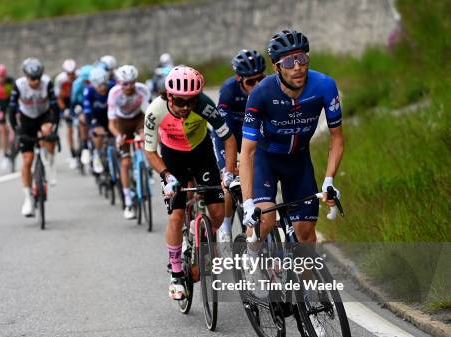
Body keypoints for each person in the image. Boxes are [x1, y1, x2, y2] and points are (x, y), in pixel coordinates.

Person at [240, 29, 344, 244]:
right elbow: (248, 152)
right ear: (276, 66)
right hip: (265, 160)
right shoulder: (261, 93)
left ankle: (303, 277)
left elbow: (337, 138)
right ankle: (249, 269)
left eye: (301, 58)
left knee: (305, 236)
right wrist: (248, 202)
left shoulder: (325, 86)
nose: (297, 67)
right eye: (288, 62)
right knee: (265, 222)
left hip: (299, 161)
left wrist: (329, 180)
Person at [144, 66, 238, 300]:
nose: (186, 107)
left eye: (191, 101)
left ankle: (205, 241)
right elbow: (150, 151)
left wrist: (229, 172)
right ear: (168, 96)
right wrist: (167, 176)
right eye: (180, 101)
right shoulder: (155, 111)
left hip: (201, 153)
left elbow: (228, 138)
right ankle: (176, 274)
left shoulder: (205, 104)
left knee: (217, 213)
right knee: (175, 217)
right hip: (172, 159)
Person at [213, 49, 266, 242]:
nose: (257, 85)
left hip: (253, 136)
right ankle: (225, 227)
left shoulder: (268, 88)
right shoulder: (228, 90)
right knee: (229, 182)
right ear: (239, 79)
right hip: (229, 136)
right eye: (250, 82)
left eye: (260, 78)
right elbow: (223, 129)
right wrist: (230, 164)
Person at [8, 57, 60, 217]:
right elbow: (11, 109)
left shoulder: (46, 82)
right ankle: (28, 199)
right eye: (32, 78)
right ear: (26, 76)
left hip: (43, 116)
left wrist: (54, 126)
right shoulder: (19, 85)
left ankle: (50, 164)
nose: (36, 81)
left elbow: (54, 106)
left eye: (38, 78)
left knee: (47, 132)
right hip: (26, 119)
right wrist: (16, 129)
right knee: (27, 160)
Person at [107, 65, 151, 219]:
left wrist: (149, 132)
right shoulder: (114, 93)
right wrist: (118, 136)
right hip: (121, 123)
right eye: (125, 83)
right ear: (119, 83)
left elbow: (150, 113)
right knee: (125, 163)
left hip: (138, 118)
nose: (129, 86)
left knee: (144, 139)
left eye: (132, 82)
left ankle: (146, 167)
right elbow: (111, 123)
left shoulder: (142, 90)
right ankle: (127, 201)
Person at [83, 66, 111, 174]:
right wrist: (93, 125)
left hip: (109, 117)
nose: (103, 88)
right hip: (95, 118)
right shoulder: (88, 91)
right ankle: (96, 155)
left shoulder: (112, 86)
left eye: (105, 84)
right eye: (99, 86)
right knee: (98, 135)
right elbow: (87, 111)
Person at [54, 59, 78, 169]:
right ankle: (73, 155)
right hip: (66, 102)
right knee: (70, 129)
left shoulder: (79, 76)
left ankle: (86, 148)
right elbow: (59, 97)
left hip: (77, 101)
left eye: (73, 73)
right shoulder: (60, 79)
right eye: (69, 74)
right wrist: (64, 110)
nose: (71, 76)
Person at [70, 64, 93, 166]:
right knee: (83, 120)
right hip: (80, 106)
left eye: (89, 81)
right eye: (85, 81)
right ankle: (84, 146)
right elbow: (73, 101)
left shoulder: (96, 83)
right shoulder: (77, 84)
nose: (87, 83)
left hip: (92, 106)